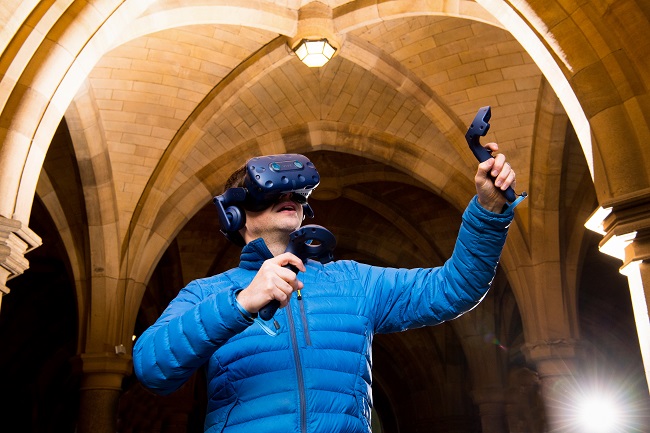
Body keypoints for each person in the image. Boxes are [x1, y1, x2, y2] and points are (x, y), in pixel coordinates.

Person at [133, 144, 520, 433]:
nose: (288, 195)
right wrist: (241, 304)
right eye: (271, 188)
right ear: (234, 214)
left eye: (296, 191)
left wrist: (488, 210)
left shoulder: (353, 282)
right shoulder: (207, 293)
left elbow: (455, 287)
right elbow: (151, 367)